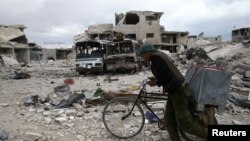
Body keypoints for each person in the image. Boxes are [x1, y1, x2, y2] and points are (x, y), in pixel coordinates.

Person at [139, 44, 210, 141]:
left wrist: (156, 83)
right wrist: (156, 78)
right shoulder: (159, 55)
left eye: (143, 55)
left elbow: (167, 76)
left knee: (185, 124)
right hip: (174, 91)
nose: (143, 58)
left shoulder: (156, 58)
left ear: (148, 53)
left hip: (178, 91)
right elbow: (165, 73)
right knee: (168, 121)